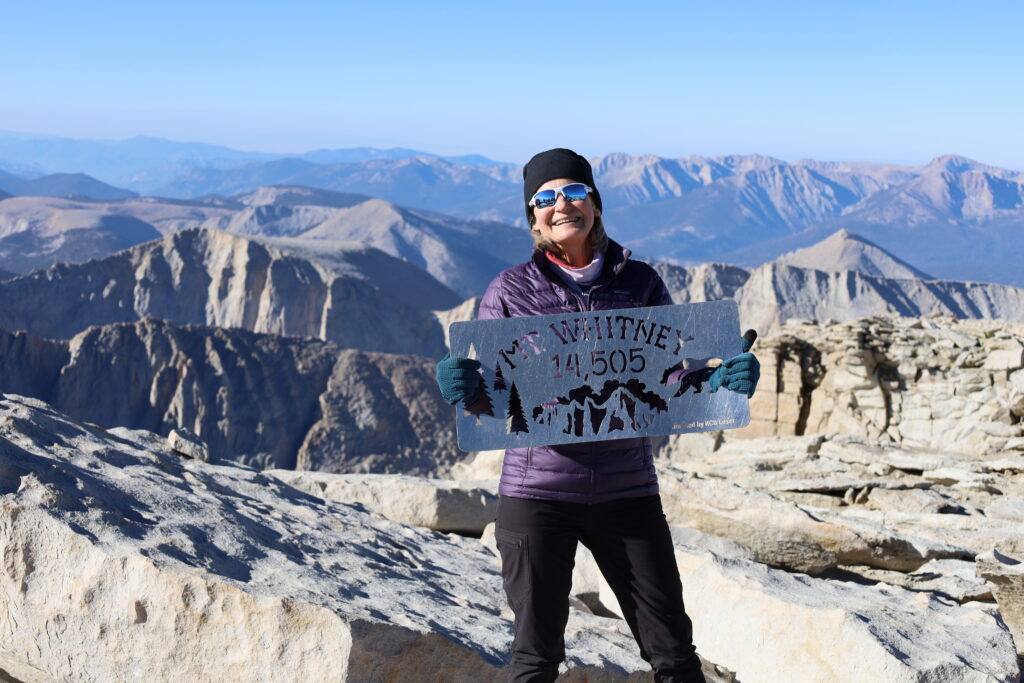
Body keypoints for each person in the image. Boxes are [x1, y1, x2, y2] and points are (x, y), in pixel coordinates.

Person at [435, 148, 759, 682]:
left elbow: (669, 375)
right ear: (532, 216)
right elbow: (492, 391)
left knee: (675, 656)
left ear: (596, 204)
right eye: (545, 198)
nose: (562, 205)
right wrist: (463, 388)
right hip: (538, 493)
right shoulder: (510, 291)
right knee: (535, 659)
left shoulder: (641, 283)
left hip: (626, 487)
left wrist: (718, 380)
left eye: (574, 192)